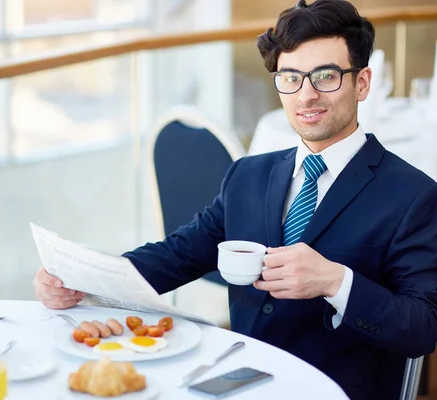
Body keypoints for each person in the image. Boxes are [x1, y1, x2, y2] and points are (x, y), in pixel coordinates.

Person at [33, 1, 437, 398]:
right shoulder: (247, 175)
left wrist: (335, 281)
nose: (306, 95)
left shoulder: (413, 195)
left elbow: (423, 327)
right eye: (290, 77)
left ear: (361, 83)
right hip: (233, 380)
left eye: (326, 76)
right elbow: (177, 254)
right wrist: (80, 279)